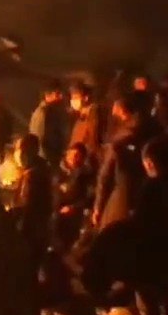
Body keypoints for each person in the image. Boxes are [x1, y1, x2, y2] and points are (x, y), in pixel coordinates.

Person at [127, 135, 168, 315]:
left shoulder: (151, 188)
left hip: (152, 257)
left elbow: (140, 224)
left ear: (150, 163)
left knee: (151, 308)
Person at [9, 134, 53, 315]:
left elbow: (26, 209)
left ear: (26, 151)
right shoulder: (40, 171)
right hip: (38, 234)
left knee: (27, 284)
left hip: (31, 236)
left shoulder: (33, 175)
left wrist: (10, 218)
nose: (17, 155)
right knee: (30, 283)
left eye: (19, 150)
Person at [93, 97, 160, 232]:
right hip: (150, 201)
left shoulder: (121, 140)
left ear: (122, 111)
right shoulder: (155, 132)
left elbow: (105, 175)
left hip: (123, 200)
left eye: (115, 111)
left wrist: (98, 207)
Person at [56, 144, 95, 251]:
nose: (74, 158)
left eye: (78, 156)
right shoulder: (57, 171)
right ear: (67, 154)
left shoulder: (86, 176)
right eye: (73, 154)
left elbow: (89, 197)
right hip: (55, 215)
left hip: (73, 218)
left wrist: (74, 207)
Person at [29, 81, 71, 167]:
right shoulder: (44, 113)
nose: (61, 97)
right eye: (57, 94)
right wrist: (48, 164)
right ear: (48, 95)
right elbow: (40, 141)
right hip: (47, 162)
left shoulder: (51, 112)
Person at [69, 82, 105, 165]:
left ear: (85, 98)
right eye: (72, 98)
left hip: (87, 161)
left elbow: (93, 141)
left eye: (76, 97)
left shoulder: (94, 116)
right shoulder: (81, 116)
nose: (73, 101)